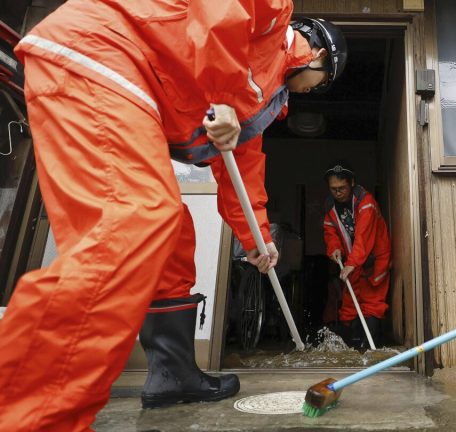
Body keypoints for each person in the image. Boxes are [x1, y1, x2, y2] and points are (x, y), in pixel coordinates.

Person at [0, 1, 346, 429]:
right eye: (322, 81)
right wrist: (220, 97)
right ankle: (27, 411)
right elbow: (219, 12)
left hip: (130, 84)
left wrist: (258, 240)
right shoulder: (274, 17)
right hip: (102, 52)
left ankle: (173, 374)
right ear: (317, 54)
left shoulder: (266, 100)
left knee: (172, 232)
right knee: (134, 220)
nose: (314, 89)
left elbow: (242, 170)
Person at [323, 162, 391, 349]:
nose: (337, 192)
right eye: (333, 189)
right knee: (349, 305)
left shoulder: (366, 202)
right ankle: (353, 347)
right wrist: (334, 248)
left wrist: (352, 263)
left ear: (352, 183)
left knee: (372, 302)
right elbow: (330, 232)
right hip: (354, 260)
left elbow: (363, 237)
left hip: (374, 259)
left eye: (342, 188)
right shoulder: (330, 207)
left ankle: (370, 348)